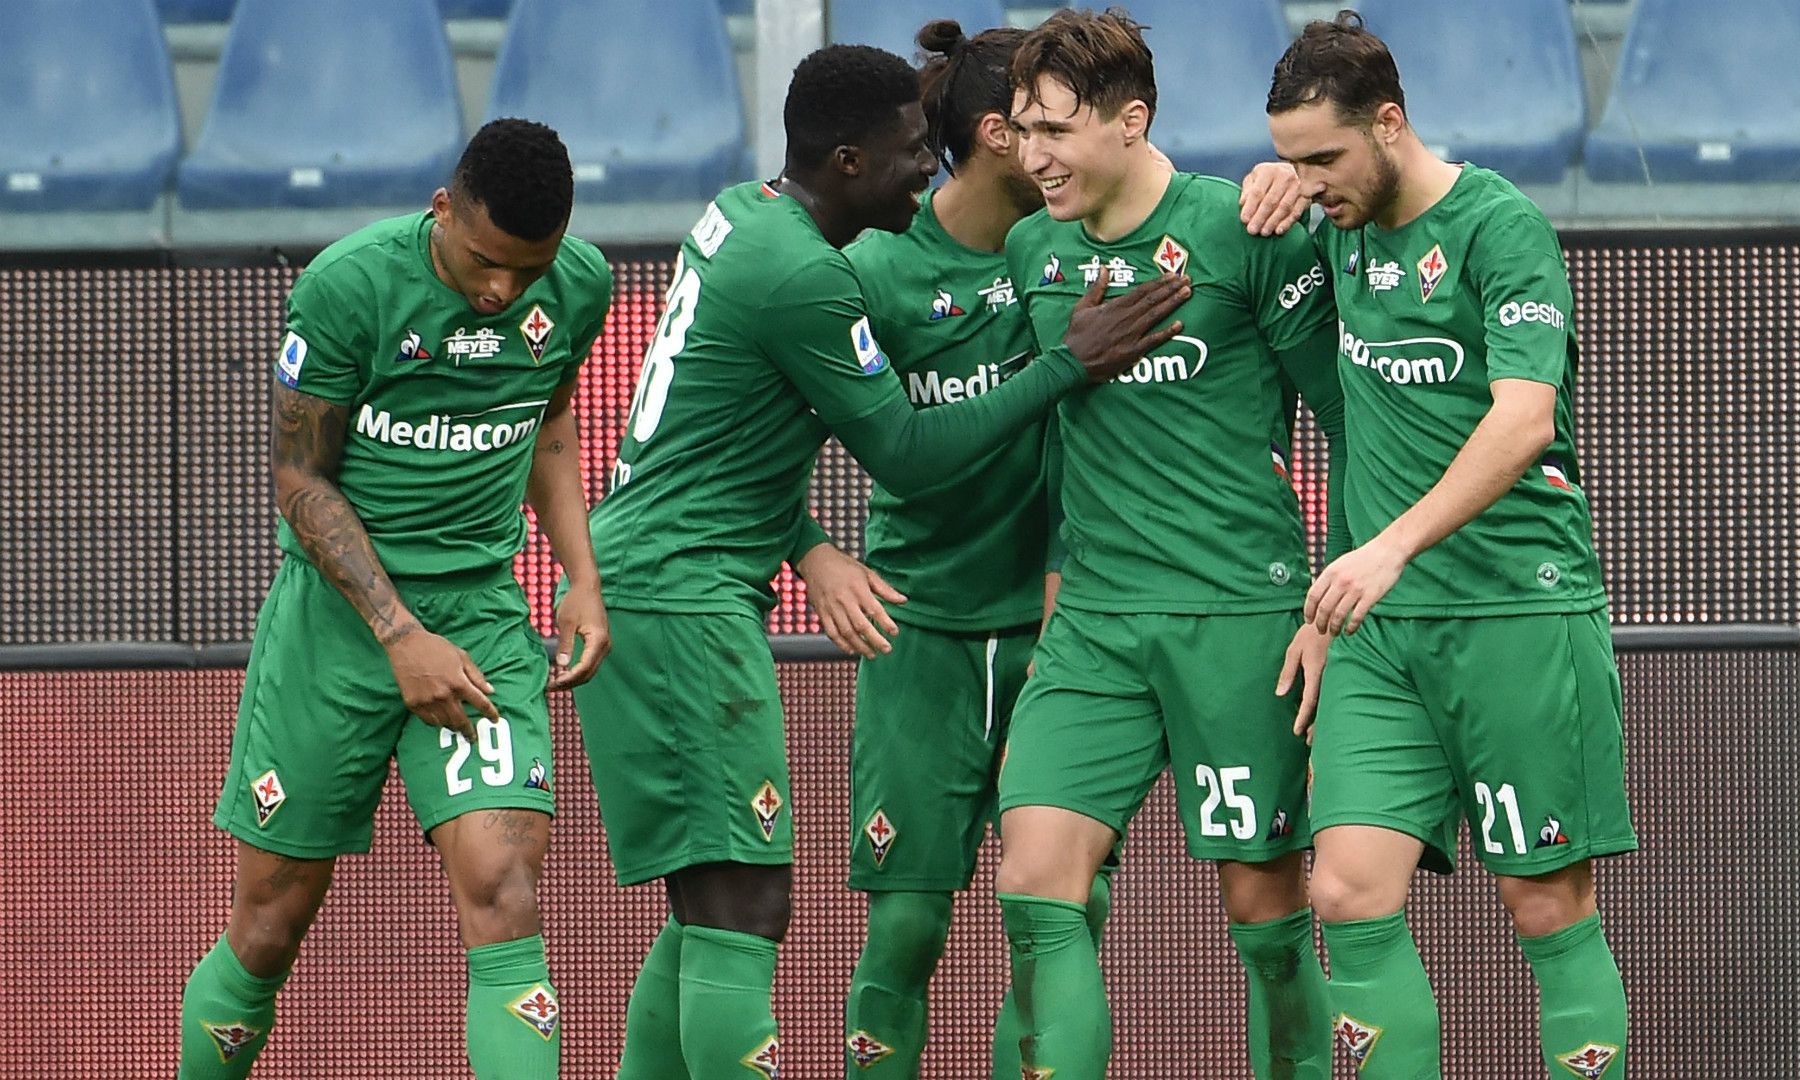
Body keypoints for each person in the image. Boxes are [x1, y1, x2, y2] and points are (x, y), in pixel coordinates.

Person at [569, 43, 1191, 1079]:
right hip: (690, 594)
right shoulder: (819, 277)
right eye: (910, 150)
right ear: (850, 161)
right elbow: (900, 448)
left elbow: (729, 425)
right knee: (747, 904)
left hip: (681, 576)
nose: (925, 165)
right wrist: (1064, 366)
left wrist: (800, 543)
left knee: (710, 907)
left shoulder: (743, 214)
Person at [175, 118, 613, 1079]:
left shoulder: (582, 284)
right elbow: (300, 479)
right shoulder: (347, 286)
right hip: (336, 628)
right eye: (486, 261)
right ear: (442, 208)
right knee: (269, 925)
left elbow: (548, 419)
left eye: (530, 270)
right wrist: (398, 633)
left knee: (506, 894)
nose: (504, 292)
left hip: (482, 619)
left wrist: (580, 575)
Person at [1266, 12, 1636, 1079]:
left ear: (1390, 123)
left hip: (1517, 609)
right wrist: (1336, 601)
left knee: (1544, 902)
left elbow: (1523, 422)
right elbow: (1357, 429)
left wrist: (1389, 549)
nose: (1311, 185)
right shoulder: (1339, 228)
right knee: (1345, 891)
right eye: (1294, 161)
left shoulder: (1499, 226)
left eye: (1324, 159)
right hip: (1380, 635)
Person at [991, 9, 1349, 1078]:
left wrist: (1334, 606)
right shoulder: (1030, 248)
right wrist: (1056, 586)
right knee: (1034, 885)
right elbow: (1056, 441)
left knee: (1263, 911)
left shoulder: (1247, 226)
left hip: (1239, 618)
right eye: (1023, 129)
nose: (1035, 155)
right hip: (1095, 626)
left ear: (1131, 120)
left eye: (1056, 129)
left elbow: (1348, 419)